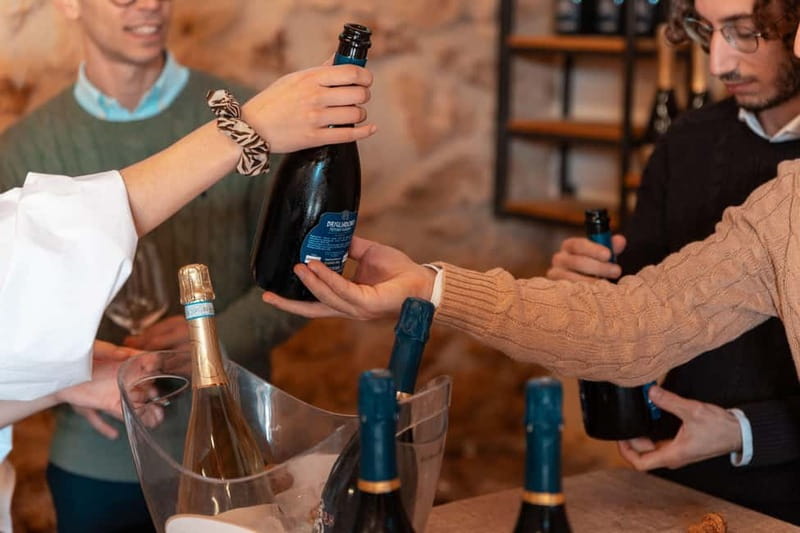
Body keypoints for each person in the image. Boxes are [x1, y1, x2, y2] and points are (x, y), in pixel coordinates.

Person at [0, 54, 374, 531]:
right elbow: (38, 256)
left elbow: (296, 271)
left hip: (235, 438)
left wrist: (67, 380)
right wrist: (245, 129)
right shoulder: (28, 141)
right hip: (98, 456)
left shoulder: (221, 93)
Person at [544, 0, 800, 523]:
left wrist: (744, 430)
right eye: (708, 31)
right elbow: (642, 307)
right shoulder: (687, 140)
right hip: (675, 481)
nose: (718, 63)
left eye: (745, 32)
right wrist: (589, 283)